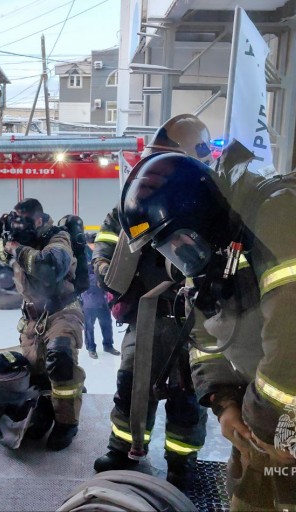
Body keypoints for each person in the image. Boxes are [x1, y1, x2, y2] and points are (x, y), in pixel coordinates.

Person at [118, 145, 296, 510]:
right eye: (168, 249)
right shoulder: (219, 247)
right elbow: (204, 332)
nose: (179, 257)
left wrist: (260, 422)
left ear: (201, 214)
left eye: (178, 241)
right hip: (261, 423)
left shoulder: (284, 217)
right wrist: (224, 403)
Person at [91, 114, 210, 492]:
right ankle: (122, 450)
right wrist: (104, 263)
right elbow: (108, 235)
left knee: (186, 396)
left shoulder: (208, 207)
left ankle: (181, 463)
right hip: (146, 315)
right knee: (131, 385)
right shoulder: (133, 202)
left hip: (195, 321)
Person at [0, 198, 85, 451]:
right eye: (14, 221)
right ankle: (44, 412)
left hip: (62, 312)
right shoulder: (16, 236)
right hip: (33, 319)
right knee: (37, 374)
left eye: (24, 223)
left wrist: (18, 249)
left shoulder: (58, 238)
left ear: (38, 220)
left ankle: (67, 423)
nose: (18, 228)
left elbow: (50, 268)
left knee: (60, 360)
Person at [81, 233, 118, 359]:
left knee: (107, 323)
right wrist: (99, 277)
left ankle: (108, 345)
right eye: (94, 244)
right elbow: (83, 277)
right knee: (89, 326)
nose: (96, 246)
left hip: (103, 298)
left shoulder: (102, 254)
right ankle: (91, 348)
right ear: (88, 243)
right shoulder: (82, 255)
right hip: (89, 299)